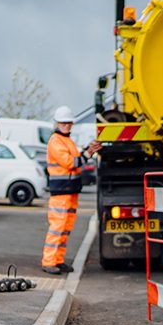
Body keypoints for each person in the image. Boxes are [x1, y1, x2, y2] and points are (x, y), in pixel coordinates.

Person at [43, 105, 103, 274]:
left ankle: (58, 260)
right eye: (64, 123)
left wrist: (87, 150)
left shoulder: (67, 140)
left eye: (69, 123)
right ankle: (48, 262)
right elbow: (71, 163)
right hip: (61, 192)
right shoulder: (56, 141)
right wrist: (89, 152)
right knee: (57, 227)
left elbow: (76, 159)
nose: (67, 126)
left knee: (65, 228)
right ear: (57, 124)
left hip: (70, 191)